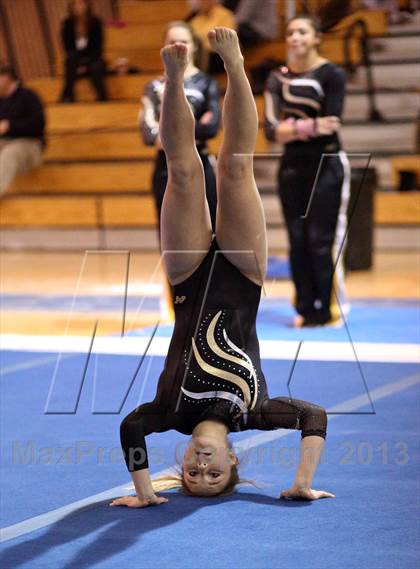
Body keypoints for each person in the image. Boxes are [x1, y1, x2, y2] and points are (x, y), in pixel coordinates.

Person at [110, 28, 334, 507]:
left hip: (188, 278)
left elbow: (131, 428)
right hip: (244, 274)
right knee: (235, 167)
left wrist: (145, 492)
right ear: (234, 462)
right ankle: (234, 67)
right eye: (214, 477)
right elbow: (315, 417)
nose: (201, 469)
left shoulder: (166, 414)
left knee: (185, 170)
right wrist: (301, 482)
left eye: (192, 476)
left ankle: (174, 78)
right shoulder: (255, 413)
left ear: (184, 461)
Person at [264, 15, 350, 327]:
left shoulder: (332, 74)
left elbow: (332, 123)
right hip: (291, 166)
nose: (295, 37)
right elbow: (272, 131)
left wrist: (293, 127)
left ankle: (327, 308)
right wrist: (310, 125)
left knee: (319, 239)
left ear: (316, 38)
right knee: (297, 238)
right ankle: (304, 308)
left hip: (326, 163)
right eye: (289, 32)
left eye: (302, 31)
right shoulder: (278, 78)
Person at [140, 21, 220, 231]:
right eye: (172, 42)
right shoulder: (154, 87)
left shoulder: (206, 83)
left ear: (194, 45)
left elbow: (211, 127)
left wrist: (168, 134)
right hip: (165, 169)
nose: (178, 46)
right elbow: (148, 134)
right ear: (163, 47)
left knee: (208, 230)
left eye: (183, 41)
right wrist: (191, 132)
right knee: (171, 235)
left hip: (200, 164)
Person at [0, 63, 45, 197]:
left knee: (9, 153)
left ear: (6, 78)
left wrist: (10, 126)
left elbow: (38, 125)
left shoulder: (28, 96)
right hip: (6, 142)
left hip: (31, 145)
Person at [59, 0, 108, 102]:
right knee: (70, 59)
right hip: (75, 61)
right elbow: (67, 47)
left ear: (87, 5)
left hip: (93, 59)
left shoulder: (95, 22)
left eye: (81, 4)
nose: (78, 7)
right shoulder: (67, 23)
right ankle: (68, 94)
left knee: (96, 66)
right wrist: (80, 64)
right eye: (75, 4)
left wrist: (85, 64)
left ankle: (101, 95)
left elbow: (98, 47)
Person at [189, 1, 236, 73]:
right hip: (203, 55)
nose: (202, 3)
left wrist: (205, 44)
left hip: (221, 53)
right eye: (199, 2)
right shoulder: (194, 21)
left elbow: (226, 38)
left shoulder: (225, 14)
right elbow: (193, 41)